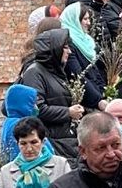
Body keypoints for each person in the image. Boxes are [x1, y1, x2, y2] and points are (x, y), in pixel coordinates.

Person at [21, 29, 84, 160]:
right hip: (50, 141)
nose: (69, 52)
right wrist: (68, 112)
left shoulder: (57, 72)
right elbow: (37, 109)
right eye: (65, 47)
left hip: (63, 139)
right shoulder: (35, 72)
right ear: (55, 48)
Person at [58, 2, 105, 110]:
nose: (88, 23)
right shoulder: (68, 43)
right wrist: (98, 100)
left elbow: (94, 70)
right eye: (85, 19)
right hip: (83, 103)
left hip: (95, 94)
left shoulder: (86, 40)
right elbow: (78, 75)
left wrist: (104, 92)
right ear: (74, 20)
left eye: (89, 19)